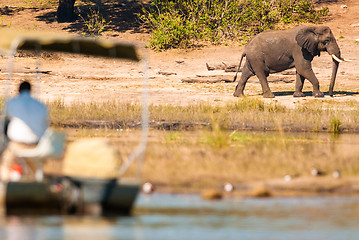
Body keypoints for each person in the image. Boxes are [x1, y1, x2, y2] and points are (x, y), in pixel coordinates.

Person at [0, 81, 49, 181]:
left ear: (19, 90)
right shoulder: (41, 105)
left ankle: (5, 186)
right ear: (31, 91)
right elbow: (45, 124)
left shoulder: (12, 102)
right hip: (35, 147)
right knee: (35, 172)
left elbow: (6, 116)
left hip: (16, 146)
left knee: (5, 166)